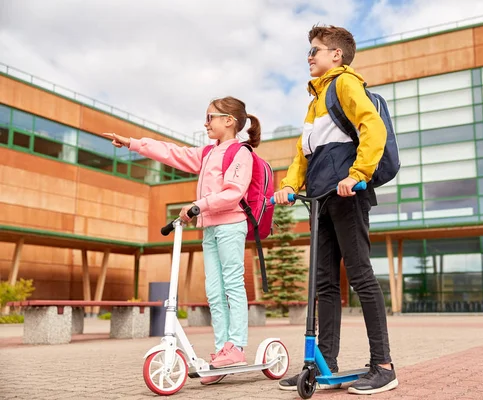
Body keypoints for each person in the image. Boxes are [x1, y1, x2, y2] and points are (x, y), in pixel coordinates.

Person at [273, 25, 398, 395]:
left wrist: (358, 173)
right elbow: (302, 153)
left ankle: (384, 366)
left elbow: (371, 128)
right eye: (309, 51)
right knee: (324, 285)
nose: (309, 56)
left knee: (360, 275)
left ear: (336, 56)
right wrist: (288, 186)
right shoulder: (315, 102)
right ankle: (321, 364)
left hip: (347, 194)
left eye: (315, 50)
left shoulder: (345, 84)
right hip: (320, 198)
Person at [102, 96, 260, 385]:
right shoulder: (208, 153)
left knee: (232, 285)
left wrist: (199, 205)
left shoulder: (240, 153)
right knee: (214, 290)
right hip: (210, 228)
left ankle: (235, 347)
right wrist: (132, 143)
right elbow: (172, 153)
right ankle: (221, 350)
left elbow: (234, 192)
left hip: (230, 225)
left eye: (210, 116)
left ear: (229, 121)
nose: (205, 122)